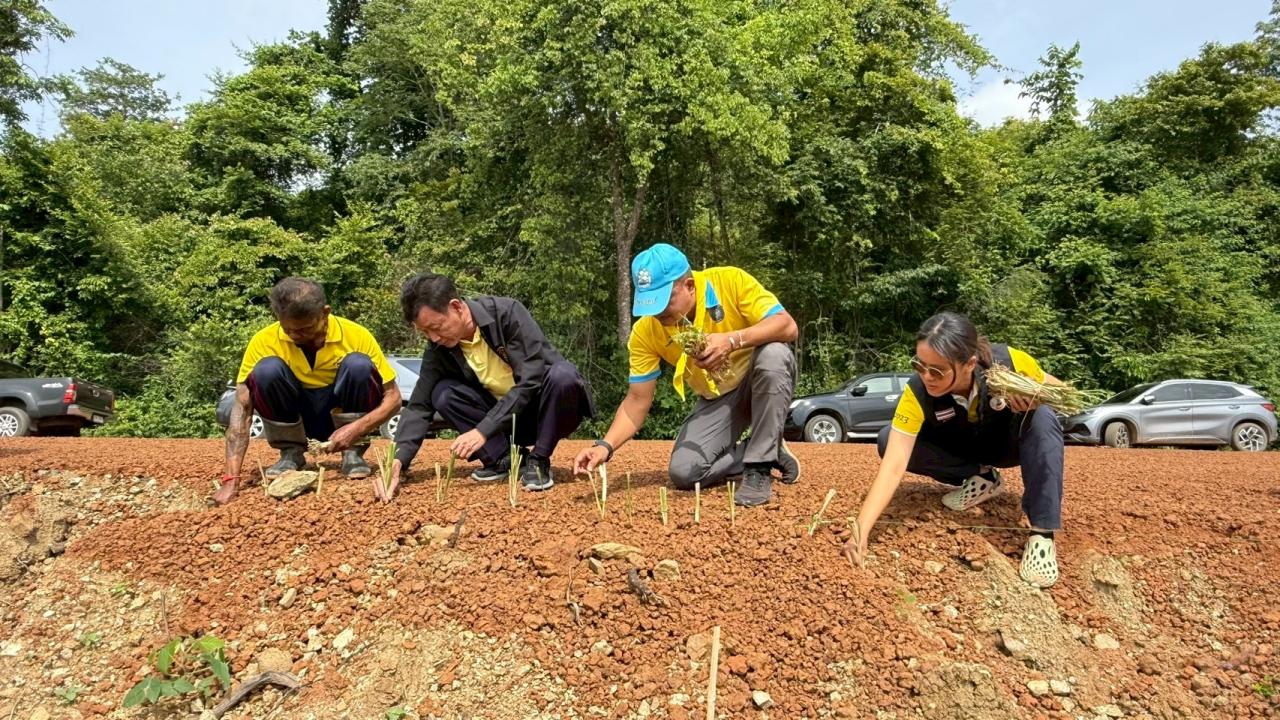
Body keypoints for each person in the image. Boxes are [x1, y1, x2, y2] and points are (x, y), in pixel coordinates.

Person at [843, 312, 1064, 588]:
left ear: (969, 363)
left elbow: (1059, 390)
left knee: (1044, 417)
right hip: (963, 449)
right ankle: (983, 478)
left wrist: (1037, 397)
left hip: (1008, 444)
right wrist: (861, 530)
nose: (926, 376)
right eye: (919, 365)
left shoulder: (1009, 363)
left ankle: (1042, 535)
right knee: (888, 439)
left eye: (937, 370)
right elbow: (894, 464)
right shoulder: (916, 392)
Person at [573, 243, 801, 507]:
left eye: (664, 302)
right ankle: (766, 447)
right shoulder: (646, 331)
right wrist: (604, 446)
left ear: (690, 286)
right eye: (649, 304)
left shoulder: (730, 281)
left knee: (774, 354)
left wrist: (732, 340)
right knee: (685, 472)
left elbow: (787, 325)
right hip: (718, 397)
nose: (657, 313)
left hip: (760, 380)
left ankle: (759, 467)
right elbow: (637, 400)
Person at [383, 272, 594, 499]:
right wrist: (398, 461)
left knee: (564, 374)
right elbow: (419, 406)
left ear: (457, 307)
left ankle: (538, 460)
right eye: (425, 332)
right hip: (503, 424)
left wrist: (482, 431)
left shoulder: (507, 314)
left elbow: (530, 381)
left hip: (546, 415)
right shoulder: (439, 349)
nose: (434, 338)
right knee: (442, 392)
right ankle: (504, 459)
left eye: (437, 327)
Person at [217, 277, 402, 504]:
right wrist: (230, 480)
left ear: (324, 313)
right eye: (288, 330)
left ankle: (352, 453)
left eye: (305, 329)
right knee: (266, 370)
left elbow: (393, 399)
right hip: (297, 419)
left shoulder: (356, 336)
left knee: (359, 365)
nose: (296, 336)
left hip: (342, 420)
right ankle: (291, 453)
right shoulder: (264, 341)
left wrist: (356, 429)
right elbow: (242, 410)